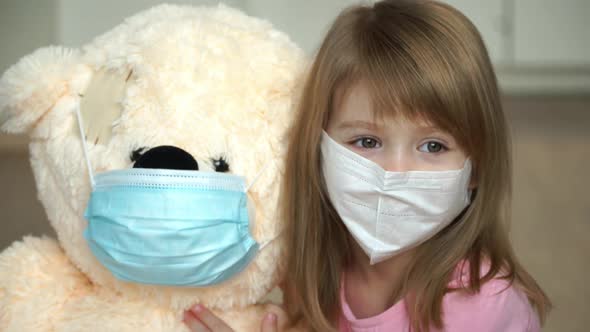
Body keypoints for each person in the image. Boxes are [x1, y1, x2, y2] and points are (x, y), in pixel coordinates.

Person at [184, 1, 551, 331]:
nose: (394, 171)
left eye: (433, 145)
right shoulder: (316, 273)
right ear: (319, 147)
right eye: (367, 142)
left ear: (477, 168)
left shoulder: (480, 305)